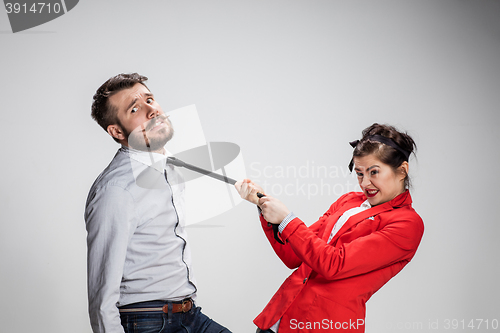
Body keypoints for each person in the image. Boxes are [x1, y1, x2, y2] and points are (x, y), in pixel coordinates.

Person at [236, 123, 424, 333]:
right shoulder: (348, 201)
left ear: (402, 171)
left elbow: (333, 264)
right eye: (360, 173)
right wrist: (263, 204)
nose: (365, 183)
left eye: (374, 172)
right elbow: (293, 256)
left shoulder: (407, 224)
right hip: (279, 319)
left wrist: (287, 219)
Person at [85, 73, 231, 333]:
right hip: (148, 322)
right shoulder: (116, 189)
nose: (152, 110)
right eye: (135, 108)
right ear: (117, 131)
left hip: (188, 314)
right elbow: (101, 295)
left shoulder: (169, 168)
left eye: (150, 99)